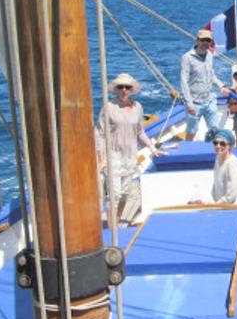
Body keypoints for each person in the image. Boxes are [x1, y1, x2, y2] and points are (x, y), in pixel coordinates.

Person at [95, 73, 165, 222]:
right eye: (121, 87)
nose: (124, 90)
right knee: (115, 195)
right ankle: (111, 227)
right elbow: (99, 134)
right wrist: (101, 159)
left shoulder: (138, 107)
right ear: (116, 89)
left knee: (126, 193)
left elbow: (140, 132)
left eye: (127, 87)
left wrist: (153, 148)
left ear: (132, 89)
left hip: (130, 156)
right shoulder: (109, 107)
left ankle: (118, 221)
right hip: (112, 156)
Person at [180, 29, 228, 141]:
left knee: (214, 130)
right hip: (195, 102)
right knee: (192, 132)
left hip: (209, 100)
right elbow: (184, 81)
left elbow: (211, 75)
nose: (205, 43)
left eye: (208, 40)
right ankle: (188, 152)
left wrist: (221, 86)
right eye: (203, 40)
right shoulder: (187, 57)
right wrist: (189, 103)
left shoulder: (210, 56)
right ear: (197, 40)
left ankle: (214, 153)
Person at [201, 128, 237, 206]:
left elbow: (232, 194)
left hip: (236, 207)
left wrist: (215, 205)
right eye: (215, 143)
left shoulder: (232, 163)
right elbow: (216, 185)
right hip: (223, 206)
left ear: (229, 146)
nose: (218, 146)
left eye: (222, 143)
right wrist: (211, 202)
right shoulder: (217, 159)